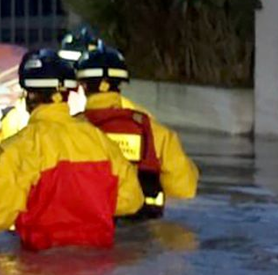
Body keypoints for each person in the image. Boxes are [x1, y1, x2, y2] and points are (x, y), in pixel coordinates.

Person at [0, 49, 143, 250]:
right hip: (100, 268)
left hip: (39, 264)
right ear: (67, 94)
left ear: (29, 95)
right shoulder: (100, 140)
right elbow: (132, 200)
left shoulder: (15, 149)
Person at [77, 44, 198, 218]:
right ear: (120, 84)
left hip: (91, 223)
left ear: (83, 85)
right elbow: (184, 190)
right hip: (145, 225)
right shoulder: (156, 132)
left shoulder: (70, 130)